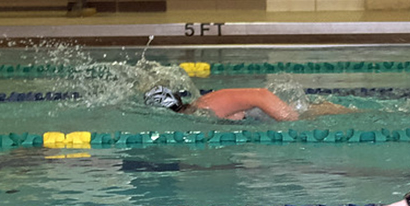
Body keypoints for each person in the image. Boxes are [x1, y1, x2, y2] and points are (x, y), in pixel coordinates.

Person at [143, 85, 355, 122]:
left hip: (278, 112)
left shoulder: (208, 106)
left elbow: (261, 95)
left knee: (322, 114)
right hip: (264, 116)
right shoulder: (197, 112)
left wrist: (291, 119)